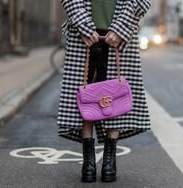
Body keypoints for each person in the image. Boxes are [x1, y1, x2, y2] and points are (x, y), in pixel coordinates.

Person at [57, 0, 152, 183]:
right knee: (86, 95)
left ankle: (106, 162)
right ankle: (90, 163)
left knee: (115, 96)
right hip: (83, 34)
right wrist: (83, 25)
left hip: (119, 35)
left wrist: (120, 29)